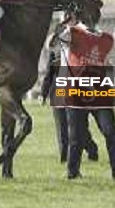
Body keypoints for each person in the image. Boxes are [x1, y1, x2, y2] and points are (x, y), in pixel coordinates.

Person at [47, 9, 115, 181]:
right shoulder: (72, 32)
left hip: (100, 92)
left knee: (111, 132)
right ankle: (73, 172)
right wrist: (61, 27)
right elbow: (52, 44)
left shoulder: (106, 39)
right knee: (76, 136)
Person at [41, 15, 99, 164]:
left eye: (70, 18)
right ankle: (64, 158)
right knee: (61, 125)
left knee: (79, 127)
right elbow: (50, 69)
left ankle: (91, 147)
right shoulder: (57, 42)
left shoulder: (82, 37)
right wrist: (44, 91)